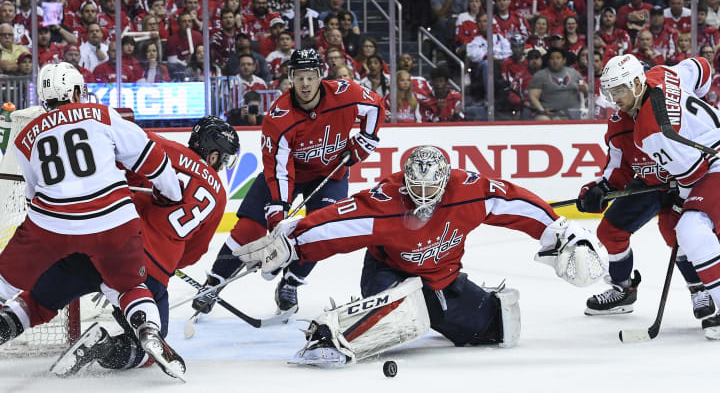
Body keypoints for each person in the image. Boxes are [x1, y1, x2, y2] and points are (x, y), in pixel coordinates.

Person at [232, 145, 607, 366]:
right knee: (400, 309)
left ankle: (448, 305)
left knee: (500, 328)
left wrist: (557, 229)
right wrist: (292, 243)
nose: (424, 200)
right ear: (404, 180)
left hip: (443, 277)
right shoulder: (383, 202)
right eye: (416, 190)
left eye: (433, 191)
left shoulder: (470, 190)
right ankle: (332, 334)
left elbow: (513, 201)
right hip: (389, 274)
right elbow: (336, 226)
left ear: (448, 181)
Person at [0, 62, 185, 378]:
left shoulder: (26, 136)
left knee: (5, 281)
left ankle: (6, 321)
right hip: (114, 222)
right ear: (74, 91)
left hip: (51, 225)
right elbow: (151, 158)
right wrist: (172, 194)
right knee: (129, 286)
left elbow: (32, 197)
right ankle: (149, 328)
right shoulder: (101, 114)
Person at [192, 48, 386, 316]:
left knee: (321, 230)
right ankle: (214, 281)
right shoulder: (279, 117)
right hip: (288, 175)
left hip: (330, 175)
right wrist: (277, 216)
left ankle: (291, 282)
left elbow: (376, 105)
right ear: (291, 79)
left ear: (320, 76)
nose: (305, 84)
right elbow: (279, 171)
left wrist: (365, 140)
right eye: (299, 77)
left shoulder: (346, 93)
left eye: (310, 77)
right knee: (249, 229)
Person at [45, 116, 239, 377]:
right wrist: (168, 262)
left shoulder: (165, 149)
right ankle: (105, 347)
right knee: (153, 341)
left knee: (58, 283)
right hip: (154, 272)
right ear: (213, 155)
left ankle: (15, 316)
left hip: (109, 241)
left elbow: (120, 148)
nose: (223, 164)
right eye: (224, 158)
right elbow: (195, 251)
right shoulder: (220, 196)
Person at [576, 63, 715, 320]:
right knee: (610, 230)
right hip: (652, 183)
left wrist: (694, 99)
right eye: (611, 93)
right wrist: (600, 189)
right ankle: (623, 289)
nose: (615, 100)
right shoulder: (620, 124)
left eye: (619, 91)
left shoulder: (661, 99)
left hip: (690, 181)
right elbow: (617, 167)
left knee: (678, 233)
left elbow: (702, 68)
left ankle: (700, 289)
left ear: (637, 84)